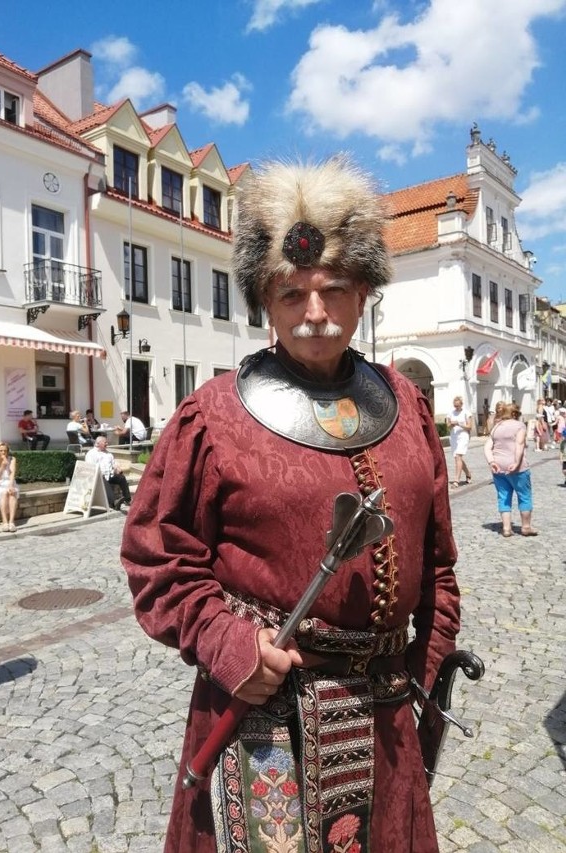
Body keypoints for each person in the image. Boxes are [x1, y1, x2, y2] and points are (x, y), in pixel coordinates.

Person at [121, 156, 460, 853]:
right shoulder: (210, 417)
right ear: (264, 299)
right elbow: (156, 559)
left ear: (364, 292)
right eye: (290, 292)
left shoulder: (411, 409)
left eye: (333, 289)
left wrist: (420, 682)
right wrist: (225, 641)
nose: (313, 313)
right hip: (265, 720)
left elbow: (440, 569)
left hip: (389, 723)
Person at [484, 401, 536, 537]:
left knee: (503, 497)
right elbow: (519, 444)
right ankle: (526, 527)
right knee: (524, 496)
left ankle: (506, 528)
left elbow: (487, 447)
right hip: (518, 468)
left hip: (498, 467)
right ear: (514, 414)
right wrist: (516, 462)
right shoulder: (519, 426)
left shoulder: (496, 427)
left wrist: (491, 462)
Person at [85, 436, 132, 510]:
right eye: (105, 442)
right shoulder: (91, 454)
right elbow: (91, 467)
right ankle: (114, 502)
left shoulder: (108, 454)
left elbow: (114, 463)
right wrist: (100, 473)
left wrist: (117, 467)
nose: (107, 443)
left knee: (121, 477)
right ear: (98, 443)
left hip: (110, 474)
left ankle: (127, 499)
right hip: (98, 476)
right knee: (102, 479)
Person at [446, 395, 473, 488]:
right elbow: (448, 425)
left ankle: (456, 480)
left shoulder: (466, 413)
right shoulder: (450, 412)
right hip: (454, 436)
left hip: (463, 436)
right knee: (458, 458)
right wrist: (451, 425)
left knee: (458, 456)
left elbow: (469, 427)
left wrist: (459, 424)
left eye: (458, 405)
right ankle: (468, 473)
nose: (456, 407)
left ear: (461, 404)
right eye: (455, 405)